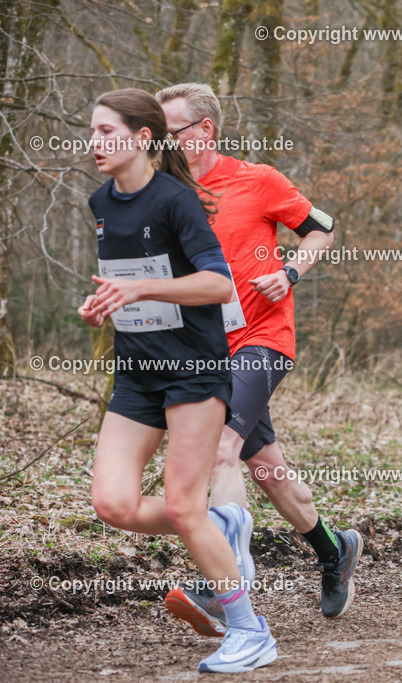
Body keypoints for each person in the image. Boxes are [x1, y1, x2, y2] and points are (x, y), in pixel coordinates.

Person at [154, 83, 361, 634]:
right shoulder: (164, 194)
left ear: (205, 129)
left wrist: (290, 272)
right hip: (204, 350)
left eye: (172, 132)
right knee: (269, 473)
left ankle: (224, 586)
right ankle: (335, 550)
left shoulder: (258, 179)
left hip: (262, 338)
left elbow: (322, 230)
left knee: (221, 449)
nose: (163, 144)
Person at [81, 88, 275, 672]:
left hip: (193, 370)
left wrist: (141, 289)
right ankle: (223, 524)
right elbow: (125, 281)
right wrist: (105, 303)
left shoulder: (176, 200)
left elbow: (218, 284)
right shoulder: (100, 201)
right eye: (91, 131)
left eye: (106, 131)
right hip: (137, 372)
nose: (94, 143)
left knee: (182, 506)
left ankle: (250, 632)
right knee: (112, 503)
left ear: (143, 138)